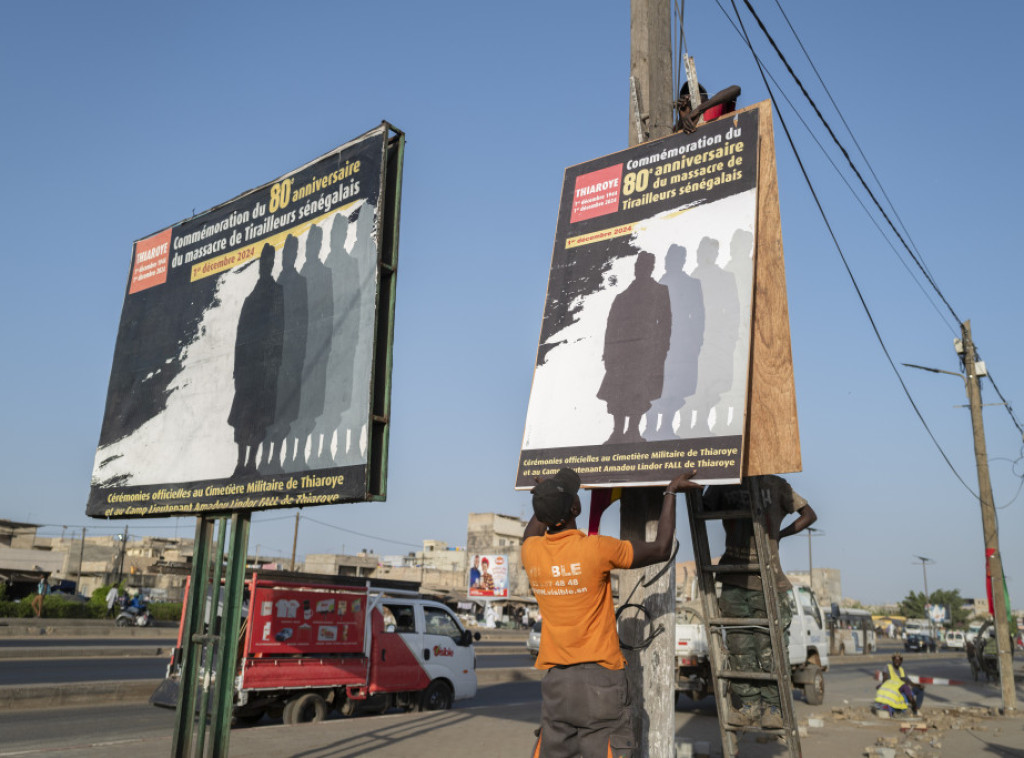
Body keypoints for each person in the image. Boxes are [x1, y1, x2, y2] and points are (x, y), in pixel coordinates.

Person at [523, 467, 699, 758]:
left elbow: (536, 528)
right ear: (576, 507)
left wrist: (545, 497)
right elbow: (660, 548)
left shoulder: (530, 553)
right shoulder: (596, 549)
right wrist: (670, 492)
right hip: (600, 681)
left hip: (557, 685)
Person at [704, 475, 817, 729]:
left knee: (766, 649)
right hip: (737, 578)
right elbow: (808, 515)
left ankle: (773, 708)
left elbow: (809, 515)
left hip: (765, 579)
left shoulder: (772, 485)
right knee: (742, 646)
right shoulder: (759, 482)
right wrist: (778, 536)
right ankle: (750, 707)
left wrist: (777, 536)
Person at [597, 251, 672, 444]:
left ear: (651, 268)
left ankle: (633, 431)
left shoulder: (659, 291)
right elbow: (611, 325)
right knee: (618, 393)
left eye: (645, 265)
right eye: (638, 265)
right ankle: (617, 431)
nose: (640, 269)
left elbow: (665, 323)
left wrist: (662, 349)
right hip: (622, 353)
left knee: (639, 392)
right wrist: (608, 353)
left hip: (646, 353)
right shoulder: (622, 296)